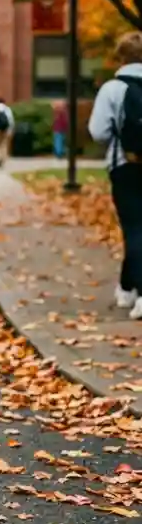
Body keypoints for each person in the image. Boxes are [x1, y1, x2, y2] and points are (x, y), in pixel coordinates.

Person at [89, 31, 142, 318]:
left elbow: (98, 133)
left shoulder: (113, 89)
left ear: (121, 57)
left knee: (134, 227)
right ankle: (126, 288)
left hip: (126, 165)